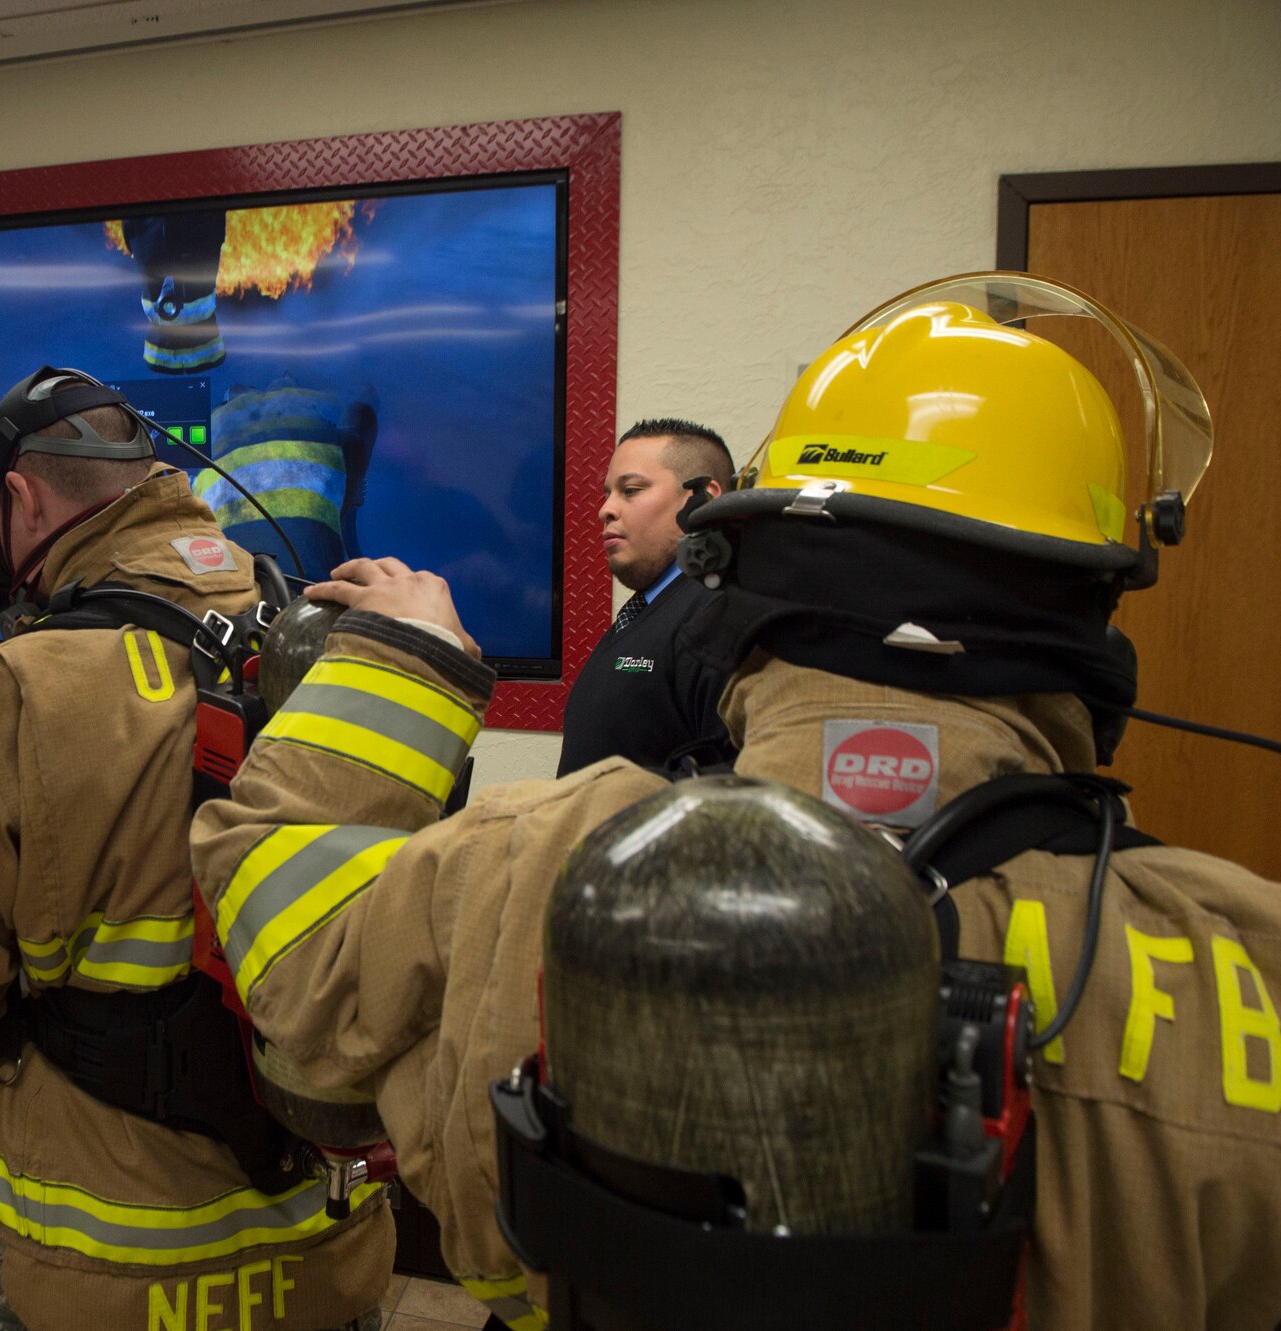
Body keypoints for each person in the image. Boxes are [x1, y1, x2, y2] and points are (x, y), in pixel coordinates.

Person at [191, 275, 1281, 1331]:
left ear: (748, 567)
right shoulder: (1243, 963)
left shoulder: (533, 859)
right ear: (1089, 609)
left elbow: (287, 956)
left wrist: (399, 662)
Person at [0, 367, 391, 1331]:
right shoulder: (336, 638)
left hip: (82, 1256)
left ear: (21, 495)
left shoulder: (10, 690)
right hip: (318, 1238)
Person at [556, 419, 732, 776]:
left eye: (631, 490)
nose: (605, 509)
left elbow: (732, 789)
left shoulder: (720, 617)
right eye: (608, 493)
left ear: (704, 499)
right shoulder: (647, 610)